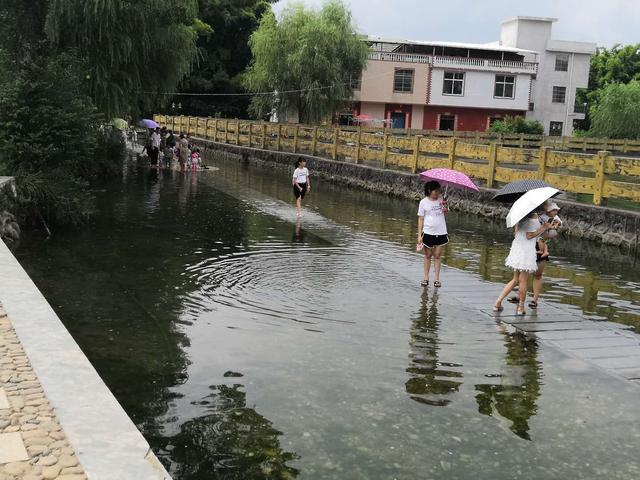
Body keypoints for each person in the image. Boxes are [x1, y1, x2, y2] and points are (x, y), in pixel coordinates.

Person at [494, 213, 553, 315]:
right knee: (523, 280)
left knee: (515, 279)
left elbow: (516, 233)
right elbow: (529, 236)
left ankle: (497, 303)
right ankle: (521, 307)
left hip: (517, 248)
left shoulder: (520, 215)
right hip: (526, 250)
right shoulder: (533, 216)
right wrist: (544, 227)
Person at [417, 181, 449, 288]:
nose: (438, 192)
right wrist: (419, 235)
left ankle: (436, 279)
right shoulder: (423, 202)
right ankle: (426, 278)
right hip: (428, 232)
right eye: (436, 190)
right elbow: (421, 219)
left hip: (441, 231)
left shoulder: (441, 200)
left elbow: (446, 212)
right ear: (430, 191)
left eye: (439, 190)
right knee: (427, 255)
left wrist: (445, 205)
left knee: (438, 256)